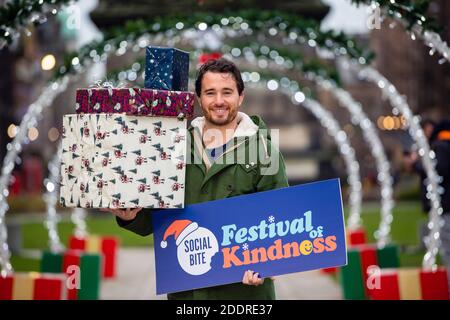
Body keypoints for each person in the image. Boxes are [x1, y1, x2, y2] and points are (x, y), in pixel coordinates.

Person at [101, 58, 289, 300]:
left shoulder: (264, 151)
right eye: (210, 93)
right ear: (199, 99)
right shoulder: (173, 147)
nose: (219, 101)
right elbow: (153, 220)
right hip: (187, 293)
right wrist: (131, 216)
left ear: (241, 97)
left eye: (227, 92)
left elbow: (282, 220)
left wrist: (268, 266)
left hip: (244, 293)